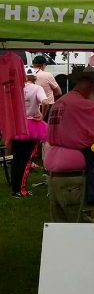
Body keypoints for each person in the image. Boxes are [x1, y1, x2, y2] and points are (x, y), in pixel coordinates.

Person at [44, 67, 94, 223]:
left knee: (61, 226)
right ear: (93, 85)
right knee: (87, 225)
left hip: (55, 175)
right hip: (75, 177)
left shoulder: (60, 103)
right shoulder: (85, 105)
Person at [10, 67, 49, 198]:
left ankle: (15, 188)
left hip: (17, 125)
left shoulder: (16, 88)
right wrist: (42, 115)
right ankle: (21, 190)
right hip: (32, 125)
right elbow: (45, 101)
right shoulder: (37, 88)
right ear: (34, 77)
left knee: (16, 158)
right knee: (26, 160)